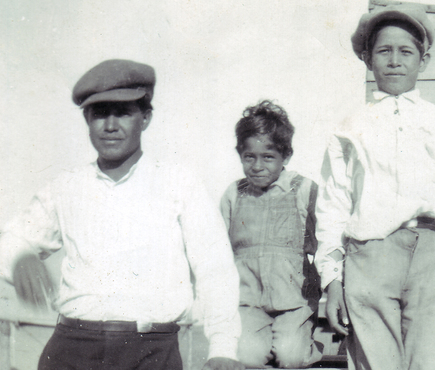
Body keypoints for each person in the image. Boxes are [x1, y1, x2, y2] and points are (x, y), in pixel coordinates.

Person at [0, 59, 244, 370]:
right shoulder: (66, 186)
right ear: (87, 119)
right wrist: (20, 257)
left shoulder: (178, 182)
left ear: (146, 118)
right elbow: (11, 239)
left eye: (123, 113)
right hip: (72, 347)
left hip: (150, 351)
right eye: (99, 114)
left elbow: (215, 267)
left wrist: (223, 347)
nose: (111, 126)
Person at [314, 4, 435, 369]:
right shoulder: (349, 125)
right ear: (367, 58)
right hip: (369, 257)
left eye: (406, 51)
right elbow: (333, 203)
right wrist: (331, 282)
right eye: (383, 51)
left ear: (424, 60)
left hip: (432, 255)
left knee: (434, 362)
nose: (394, 61)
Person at [219, 100, 323, 368]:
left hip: (294, 302)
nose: (257, 166)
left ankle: (306, 344)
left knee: (290, 355)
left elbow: (323, 243)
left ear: (285, 156)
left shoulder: (303, 190)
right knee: (247, 356)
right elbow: (218, 251)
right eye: (249, 157)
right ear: (239, 153)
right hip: (248, 303)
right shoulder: (234, 194)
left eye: (268, 157)